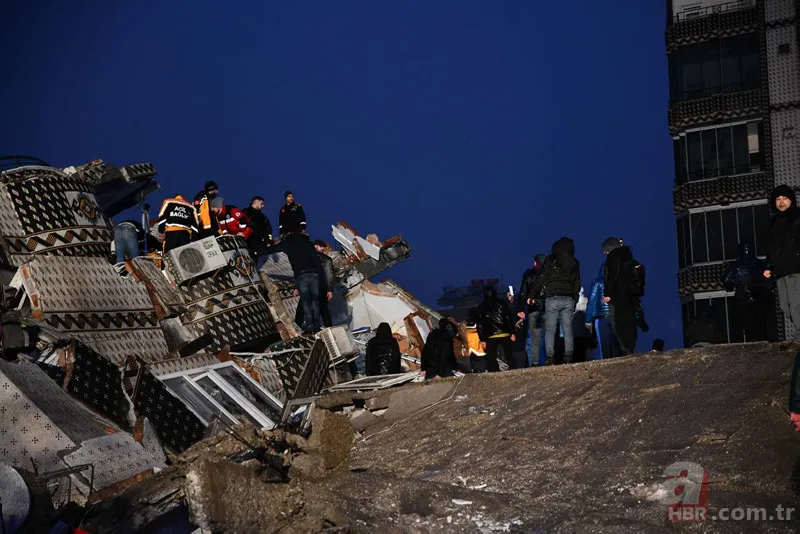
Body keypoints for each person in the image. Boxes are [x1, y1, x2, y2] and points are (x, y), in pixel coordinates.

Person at [530, 237, 581, 365]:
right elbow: (577, 283)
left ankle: (550, 357)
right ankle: (568, 355)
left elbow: (542, 279)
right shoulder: (574, 262)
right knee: (568, 329)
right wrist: (575, 299)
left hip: (552, 297)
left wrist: (532, 294)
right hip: (568, 298)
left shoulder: (551, 259)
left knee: (550, 330)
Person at [265, 233, 325, 333]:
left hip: (302, 276)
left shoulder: (288, 244)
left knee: (306, 302)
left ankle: (310, 327)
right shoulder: (308, 244)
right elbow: (317, 262)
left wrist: (260, 249)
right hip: (314, 274)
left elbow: (273, 249)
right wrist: (323, 281)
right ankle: (317, 326)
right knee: (315, 302)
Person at [764, 185, 800, 342]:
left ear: (791, 200)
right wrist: (768, 267)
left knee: (796, 305)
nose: (781, 202)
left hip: (796, 268)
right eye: (778, 199)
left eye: (785, 198)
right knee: (785, 307)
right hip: (780, 272)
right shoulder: (773, 222)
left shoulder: (798, 217)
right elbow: (771, 247)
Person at [724, 241, 772, 342]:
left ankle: (754, 348)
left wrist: (734, 284)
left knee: (748, 328)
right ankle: (761, 347)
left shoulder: (736, 266)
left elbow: (726, 281)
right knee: (760, 327)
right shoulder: (760, 264)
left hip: (743, 300)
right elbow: (769, 281)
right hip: (760, 299)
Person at [602, 237, 641, 356]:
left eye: (605, 250)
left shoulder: (612, 258)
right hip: (630, 296)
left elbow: (612, 277)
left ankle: (625, 349)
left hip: (617, 296)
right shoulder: (629, 257)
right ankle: (631, 348)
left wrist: (608, 294)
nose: (604, 253)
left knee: (617, 324)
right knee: (629, 323)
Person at [295, 240, 336, 329]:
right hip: (319, 287)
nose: (323, 249)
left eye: (323, 247)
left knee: (302, 308)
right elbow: (330, 275)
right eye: (321, 246)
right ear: (315, 246)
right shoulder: (326, 259)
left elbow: (300, 272)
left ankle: (297, 328)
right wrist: (329, 290)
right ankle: (328, 328)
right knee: (322, 309)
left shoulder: (307, 258)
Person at [475, 285, 516, 372]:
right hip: (504, 332)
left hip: (490, 335)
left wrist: (482, 339)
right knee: (509, 355)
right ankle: (515, 372)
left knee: (491, 358)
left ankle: (493, 375)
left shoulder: (481, 307)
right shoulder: (502, 302)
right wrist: (512, 332)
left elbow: (479, 325)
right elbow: (508, 317)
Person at [585, 263, 620, 359]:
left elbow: (591, 301)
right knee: (615, 344)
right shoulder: (618, 282)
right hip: (616, 316)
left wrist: (588, 320)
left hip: (601, 317)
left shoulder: (597, 282)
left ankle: (605, 366)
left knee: (604, 345)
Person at [518, 254, 546, 366]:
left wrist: (520, 309)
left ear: (535, 262)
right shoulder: (549, 275)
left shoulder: (529, 275)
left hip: (533, 310)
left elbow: (523, 293)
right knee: (545, 341)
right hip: (548, 310)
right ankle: (546, 365)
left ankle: (534, 365)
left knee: (531, 342)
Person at [242, 196, 274, 270]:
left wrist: (268, 241)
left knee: (255, 259)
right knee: (245, 257)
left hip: (257, 243)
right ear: (256, 202)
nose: (263, 206)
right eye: (261, 204)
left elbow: (268, 230)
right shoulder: (245, 212)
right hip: (246, 240)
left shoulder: (263, 217)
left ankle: (254, 272)